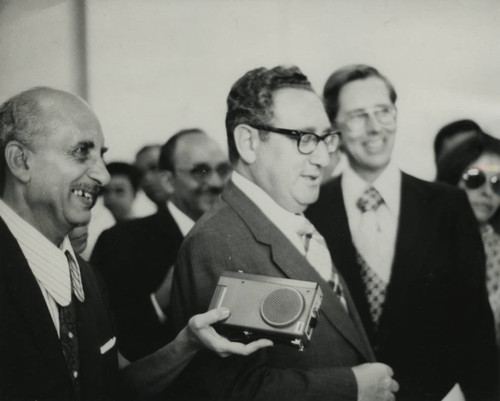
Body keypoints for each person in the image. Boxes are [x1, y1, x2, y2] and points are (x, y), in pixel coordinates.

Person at [0, 87, 271, 401]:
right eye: (80, 152)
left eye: (101, 154)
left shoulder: (85, 277)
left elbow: (118, 385)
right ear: (20, 161)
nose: (101, 174)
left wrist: (188, 342)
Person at [169, 65, 399, 401]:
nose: (323, 157)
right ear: (248, 142)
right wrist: (351, 387)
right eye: (304, 138)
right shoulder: (218, 240)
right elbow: (229, 390)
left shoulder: (287, 218)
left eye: (325, 138)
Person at [306, 64, 498, 400]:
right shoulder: (312, 210)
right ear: (333, 127)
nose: (374, 127)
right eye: (358, 116)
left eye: (383, 112)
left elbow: (476, 328)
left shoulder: (448, 205)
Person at [91, 128, 232, 361]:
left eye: (223, 170)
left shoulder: (238, 235)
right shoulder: (120, 241)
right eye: (202, 171)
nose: (216, 182)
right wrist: (158, 302)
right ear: (168, 180)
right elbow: (101, 334)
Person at [436, 133, 500, 351]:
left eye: (498, 184)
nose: (487, 192)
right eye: (475, 178)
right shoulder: (422, 239)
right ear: (452, 177)